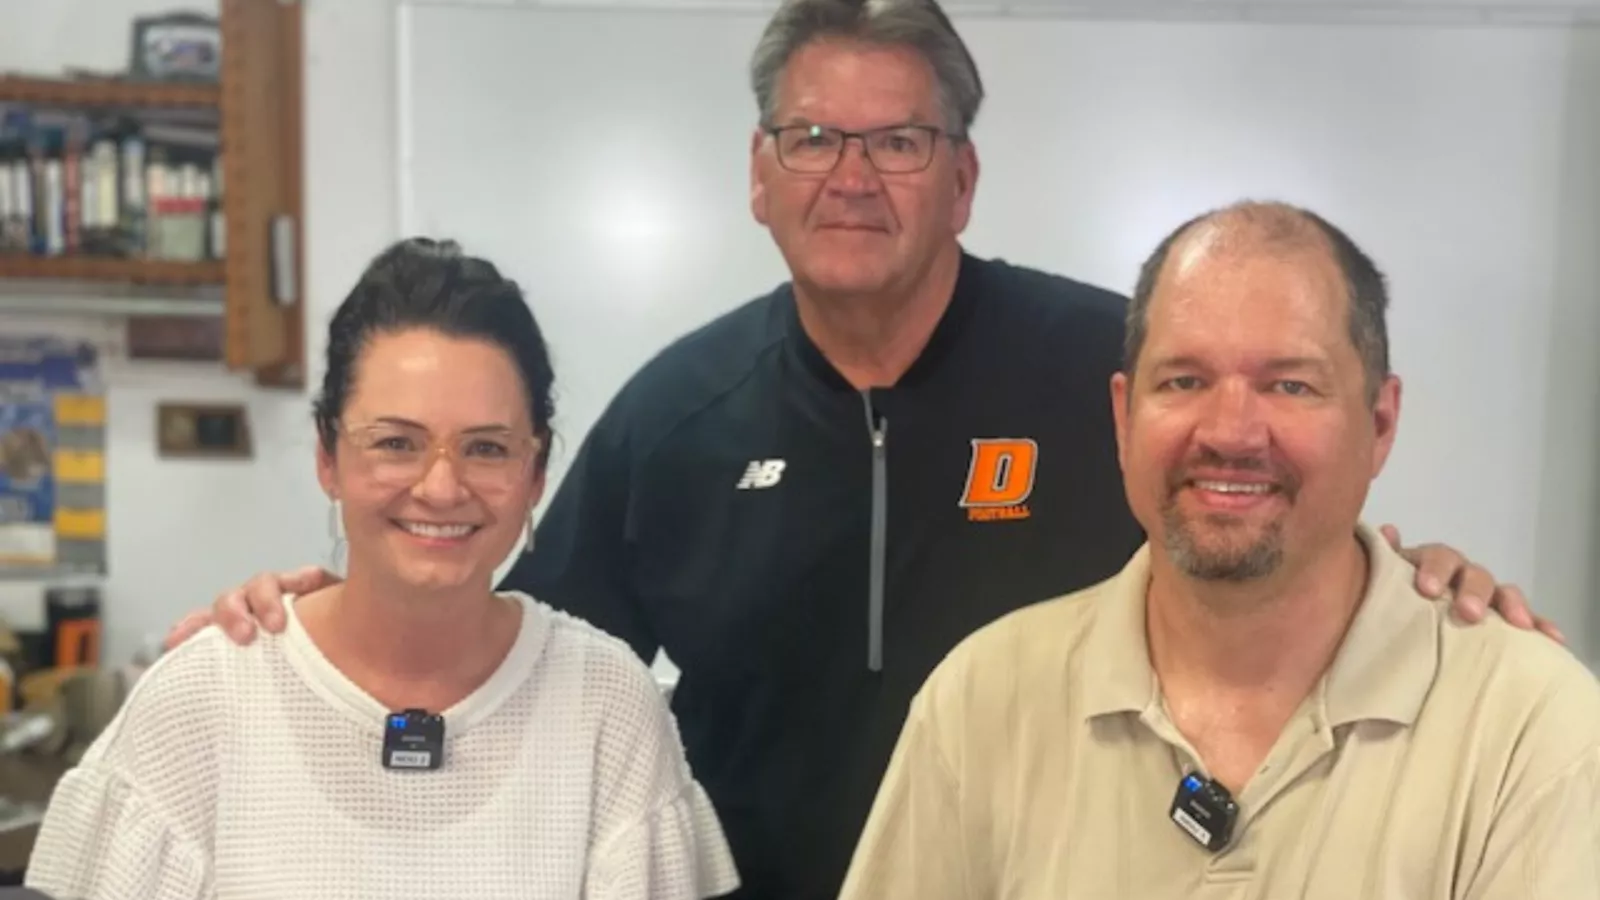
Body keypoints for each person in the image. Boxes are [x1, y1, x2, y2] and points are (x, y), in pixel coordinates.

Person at [164, 2, 1562, 897]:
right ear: (759, 175)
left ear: (963, 176)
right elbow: (508, 647)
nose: (852, 173)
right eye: (814, 135)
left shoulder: (1119, 374)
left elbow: (1265, 513)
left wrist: (1422, 579)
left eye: (900, 139)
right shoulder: (676, 415)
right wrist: (319, 631)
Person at [837, 201, 1600, 900]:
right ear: (1123, 417)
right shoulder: (981, 701)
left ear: (1381, 422)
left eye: (1291, 386)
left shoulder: (1531, 728)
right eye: (1184, 380)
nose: (1230, 432)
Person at [26, 239, 740, 900]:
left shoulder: (609, 708)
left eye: (486, 448)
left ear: (536, 473)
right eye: (397, 442)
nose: (440, 487)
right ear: (327, 458)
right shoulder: (202, 703)